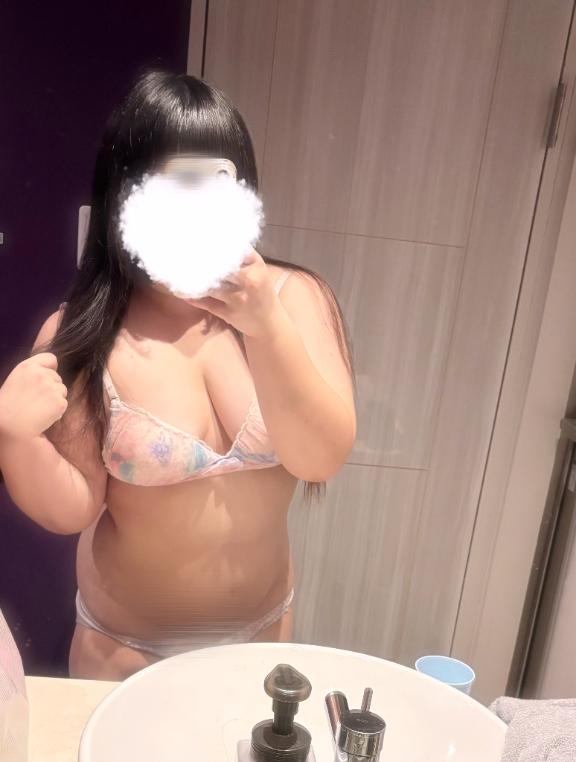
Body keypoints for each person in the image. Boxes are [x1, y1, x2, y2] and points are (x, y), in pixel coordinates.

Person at [0, 70, 356, 680]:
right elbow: (74, 507)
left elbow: (320, 458)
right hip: (124, 651)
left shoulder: (295, 299)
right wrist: (13, 438)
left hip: (261, 639)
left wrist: (267, 326)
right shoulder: (86, 331)